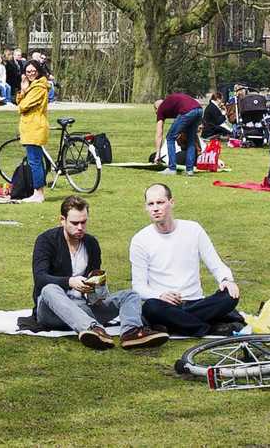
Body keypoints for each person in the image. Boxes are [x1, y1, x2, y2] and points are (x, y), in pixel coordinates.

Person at [31, 195, 165, 349]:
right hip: (52, 310)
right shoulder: (46, 240)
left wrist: (97, 291)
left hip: (84, 306)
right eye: (75, 223)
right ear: (62, 220)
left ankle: (131, 332)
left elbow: (95, 277)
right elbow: (40, 278)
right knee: (49, 289)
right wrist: (69, 282)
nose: (80, 227)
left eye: (84, 222)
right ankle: (92, 329)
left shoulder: (91, 243)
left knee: (130, 295)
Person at [129, 183, 241, 337]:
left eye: (160, 202)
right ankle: (205, 327)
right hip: (164, 304)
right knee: (150, 307)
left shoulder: (193, 230)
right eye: (151, 204)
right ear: (146, 208)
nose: (155, 208)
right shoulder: (140, 240)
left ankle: (179, 324)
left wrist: (227, 279)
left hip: (195, 301)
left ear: (171, 202)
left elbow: (216, 264)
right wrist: (159, 295)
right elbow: (138, 286)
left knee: (230, 296)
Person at [15, 60, 50, 202]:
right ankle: (37, 191)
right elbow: (19, 101)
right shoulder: (32, 86)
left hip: (34, 127)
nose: (30, 74)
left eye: (33, 71)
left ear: (38, 71)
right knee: (35, 160)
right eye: (28, 71)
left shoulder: (38, 88)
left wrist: (24, 94)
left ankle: (38, 193)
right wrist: (23, 91)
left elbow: (23, 106)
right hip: (30, 127)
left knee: (34, 161)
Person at [154, 91, 203, 176]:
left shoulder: (160, 109)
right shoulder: (169, 103)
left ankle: (172, 168)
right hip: (199, 109)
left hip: (188, 111)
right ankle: (189, 170)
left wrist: (158, 153)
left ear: (156, 109)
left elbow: (159, 133)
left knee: (170, 138)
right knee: (191, 140)